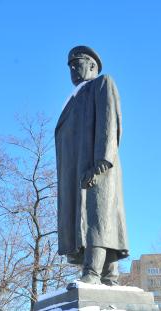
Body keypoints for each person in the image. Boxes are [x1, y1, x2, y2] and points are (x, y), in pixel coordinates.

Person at [55, 45, 129, 285]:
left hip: (97, 167)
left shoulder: (101, 84)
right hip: (77, 171)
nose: (74, 70)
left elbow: (110, 124)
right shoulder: (73, 100)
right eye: (71, 67)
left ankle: (93, 273)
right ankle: (110, 276)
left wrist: (102, 162)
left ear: (92, 66)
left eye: (78, 64)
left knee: (97, 216)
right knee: (96, 218)